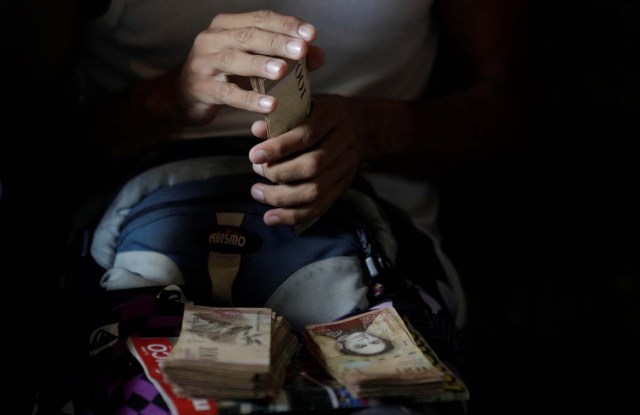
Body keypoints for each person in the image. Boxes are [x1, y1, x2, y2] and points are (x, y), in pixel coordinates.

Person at [20, 1, 532, 413]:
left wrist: (368, 130)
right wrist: (169, 100)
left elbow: (511, 108)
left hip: (375, 235)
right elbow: (33, 151)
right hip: (141, 216)